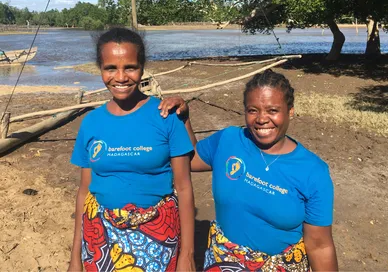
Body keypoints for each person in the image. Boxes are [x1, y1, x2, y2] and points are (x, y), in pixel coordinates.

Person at [159, 69, 338, 271]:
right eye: (253, 110)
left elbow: (320, 246)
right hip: (221, 262)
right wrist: (184, 119)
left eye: (272, 110)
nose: (261, 119)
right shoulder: (229, 140)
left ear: (290, 111)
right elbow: (191, 160)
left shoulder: (313, 172)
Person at [68, 27, 196, 272]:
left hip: (157, 238)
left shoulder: (165, 115)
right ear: (100, 69)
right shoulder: (91, 122)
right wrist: (75, 257)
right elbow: (84, 192)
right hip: (100, 240)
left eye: (130, 67)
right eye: (110, 68)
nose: (121, 77)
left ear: (142, 67)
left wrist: (187, 256)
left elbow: (184, 187)